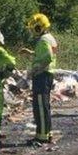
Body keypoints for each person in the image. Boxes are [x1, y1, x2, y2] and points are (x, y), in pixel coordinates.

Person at [27, 13, 57, 144]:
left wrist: (37, 70)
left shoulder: (43, 40)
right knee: (44, 105)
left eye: (34, 27)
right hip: (48, 75)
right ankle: (46, 132)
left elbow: (48, 57)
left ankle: (42, 135)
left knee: (40, 106)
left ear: (39, 27)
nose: (32, 30)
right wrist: (31, 53)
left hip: (42, 76)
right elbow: (44, 54)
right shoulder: (49, 38)